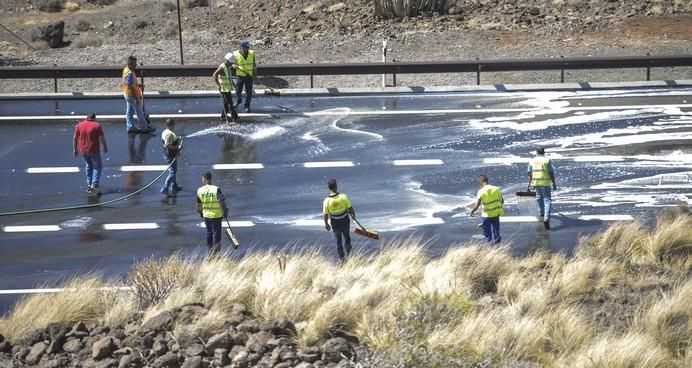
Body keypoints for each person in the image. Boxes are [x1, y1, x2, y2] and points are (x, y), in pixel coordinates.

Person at [73, 113, 108, 195]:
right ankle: (95, 185)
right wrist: (105, 146)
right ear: (94, 118)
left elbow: (75, 138)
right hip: (94, 150)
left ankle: (89, 184)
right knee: (97, 167)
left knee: (89, 165)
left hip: (83, 151)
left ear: (86, 118)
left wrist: (75, 149)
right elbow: (101, 138)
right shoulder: (97, 125)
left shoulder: (79, 125)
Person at [323, 179, 356, 262]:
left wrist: (326, 224)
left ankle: (342, 258)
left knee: (338, 240)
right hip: (344, 220)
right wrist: (353, 216)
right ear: (336, 186)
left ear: (329, 188)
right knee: (347, 237)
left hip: (335, 222)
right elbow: (350, 208)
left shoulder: (326, 201)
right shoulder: (343, 197)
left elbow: (325, 214)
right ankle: (349, 254)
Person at [196, 171, 229, 256]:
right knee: (216, 234)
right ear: (210, 178)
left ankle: (210, 251)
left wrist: (201, 213)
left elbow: (198, 205)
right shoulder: (216, 189)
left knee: (209, 233)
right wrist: (225, 211)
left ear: (204, 179)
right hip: (216, 215)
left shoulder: (200, 190)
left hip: (206, 215)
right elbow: (222, 201)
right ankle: (216, 253)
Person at [122, 55, 154, 134]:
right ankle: (144, 127)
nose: (136, 65)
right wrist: (136, 98)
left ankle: (130, 127)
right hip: (132, 95)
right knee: (139, 111)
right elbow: (130, 87)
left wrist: (138, 85)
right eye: (134, 64)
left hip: (127, 94)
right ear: (130, 64)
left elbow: (130, 84)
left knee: (129, 111)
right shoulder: (129, 73)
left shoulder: (126, 69)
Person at [469, 175, 504, 244]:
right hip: (495, 214)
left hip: (486, 215)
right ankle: (498, 247)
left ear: (481, 182)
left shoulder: (481, 191)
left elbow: (477, 204)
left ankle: (489, 248)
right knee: (496, 232)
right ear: (487, 180)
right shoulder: (496, 189)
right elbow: (502, 201)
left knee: (487, 234)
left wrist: (472, 211)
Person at [527, 146, 557, 230]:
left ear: (536, 152)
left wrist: (529, 184)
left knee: (539, 197)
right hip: (546, 183)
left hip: (536, 182)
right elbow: (551, 172)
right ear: (544, 152)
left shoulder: (532, 161)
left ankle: (541, 213)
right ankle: (546, 217)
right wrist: (554, 183)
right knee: (547, 200)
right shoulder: (547, 160)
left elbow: (529, 173)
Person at [230, 40, 256, 113]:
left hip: (249, 76)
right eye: (246, 47)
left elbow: (254, 64)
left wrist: (254, 73)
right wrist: (233, 65)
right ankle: (239, 100)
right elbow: (229, 63)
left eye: (248, 47)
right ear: (241, 47)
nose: (248, 49)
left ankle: (247, 106)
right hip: (240, 75)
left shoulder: (251, 53)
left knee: (249, 92)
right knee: (238, 91)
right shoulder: (235, 54)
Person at [212, 53, 239, 123]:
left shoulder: (228, 67)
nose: (232, 63)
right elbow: (214, 75)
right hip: (224, 88)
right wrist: (218, 85)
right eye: (231, 62)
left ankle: (223, 116)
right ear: (228, 61)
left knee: (226, 103)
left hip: (227, 88)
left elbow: (229, 77)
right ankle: (234, 117)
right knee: (230, 103)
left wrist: (234, 85)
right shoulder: (222, 67)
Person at [161, 118, 183, 196]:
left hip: (170, 154)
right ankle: (165, 188)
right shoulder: (169, 134)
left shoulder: (166, 131)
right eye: (174, 124)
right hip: (170, 155)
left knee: (174, 170)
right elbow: (167, 145)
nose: (175, 126)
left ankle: (174, 186)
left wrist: (177, 139)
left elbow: (170, 141)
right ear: (171, 125)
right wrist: (178, 148)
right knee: (172, 172)